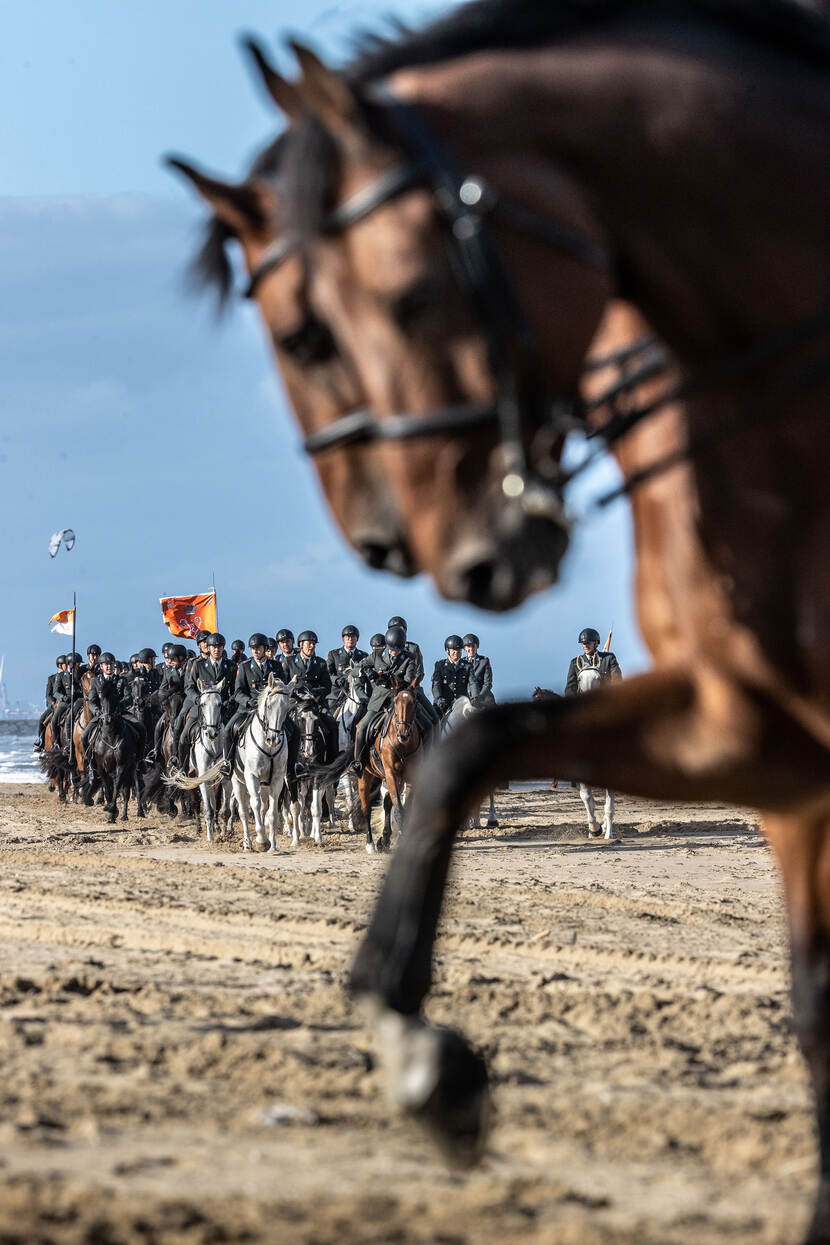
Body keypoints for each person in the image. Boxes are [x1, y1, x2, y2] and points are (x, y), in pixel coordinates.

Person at [352, 626, 417, 774]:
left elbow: (408, 681)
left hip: (399, 702)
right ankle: (358, 763)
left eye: (398, 650)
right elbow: (356, 669)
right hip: (379, 701)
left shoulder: (409, 659)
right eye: (392, 650)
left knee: (426, 724)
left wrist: (390, 681)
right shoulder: (377, 655)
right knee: (362, 728)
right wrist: (367, 671)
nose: (395, 653)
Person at [225, 633, 282, 766]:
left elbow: (281, 688)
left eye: (258, 648)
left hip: (271, 709)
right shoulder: (244, 666)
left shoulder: (276, 666)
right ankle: (227, 763)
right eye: (253, 648)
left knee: (294, 730)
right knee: (228, 730)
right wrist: (248, 701)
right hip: (248, 708)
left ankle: (293, 766)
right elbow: (237, 692)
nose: (255, 651)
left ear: (265, 648)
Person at [388, 615, 438, 730]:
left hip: (412, 688)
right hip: (391, 690)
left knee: (434, 718)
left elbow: (420, 670)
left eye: (401, 628)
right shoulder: (386, 649)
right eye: (395, 628)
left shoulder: (414, 648)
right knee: (364, 723)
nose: (399, 631)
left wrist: (411, 686)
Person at [81, 653, 128, 755]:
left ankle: (139, 760)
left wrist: (119, 707)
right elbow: (91, 701)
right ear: (101, 666)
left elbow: (128, 698)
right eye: (106, 664)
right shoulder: (95, 681)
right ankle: (90, 763)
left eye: (111, 664)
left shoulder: (122, 680)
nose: (109, 667)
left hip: (120, 714)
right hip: (102, 715)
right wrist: (97, 711)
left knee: (141, 729)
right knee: (84, 736)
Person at [565, 628, 623, 695]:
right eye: (583, 643)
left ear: (596, 643)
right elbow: (570, 689)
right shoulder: (574, 663)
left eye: (588, 643)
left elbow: (617, 680)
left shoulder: (609, 658)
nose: (586, 646)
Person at [152, 644, 187, 755]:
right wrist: (166, 697)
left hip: (187, 701)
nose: (170, 661)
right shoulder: (168, 671)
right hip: (172, 704)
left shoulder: (190, 668)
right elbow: (162, 689)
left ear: (181, 658)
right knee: (158, 726)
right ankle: (156, 751)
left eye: (173, 659)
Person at [326, 625, 368, 711]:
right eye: (347, 637)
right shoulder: (333, 654)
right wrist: (337, 680)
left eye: (353, 637)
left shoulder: (364, 656)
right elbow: (327, 674)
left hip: (358, 692)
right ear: (343, 639)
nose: (350, 639)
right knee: (328, 715)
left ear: (357, 639)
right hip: (338, 693)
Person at [432, 635, 470, 718]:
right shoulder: (440, 665)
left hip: (462, 703)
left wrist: (475, 698)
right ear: (447, 650)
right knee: (433, 720)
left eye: (459, 650)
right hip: (444, 704)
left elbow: (472, 683)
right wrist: (439, 698)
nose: (456, 652)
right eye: (454, 650)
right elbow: (436, 685)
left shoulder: (468, 666)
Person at [51, 652, 84, 744]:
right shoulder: (61, 676)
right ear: (71, 663)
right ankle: (56, 743)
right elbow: (55, 692)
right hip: (65, 703)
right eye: (78, 663)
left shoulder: (80, 675)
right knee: (53, 721)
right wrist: (63, 697)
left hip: (78, 701)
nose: (79, 665)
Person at [35, 656, 67, 750]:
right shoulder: (51, 679)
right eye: (66, 663)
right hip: (54, 705)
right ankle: (41, 741)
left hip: (65, 704)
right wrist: (53, 704)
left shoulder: (69, 677)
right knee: (42, 719)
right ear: (60, 665)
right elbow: (48, 695)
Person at [462, 633, 495, 706]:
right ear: (464, 648)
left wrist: (480, 697)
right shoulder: (461, 663)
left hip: (483, 697)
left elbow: (487, 683)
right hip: (467, 699)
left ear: (477, 647)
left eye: (473, 646)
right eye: (468, 646)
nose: (471, 649)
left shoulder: (484, 661)